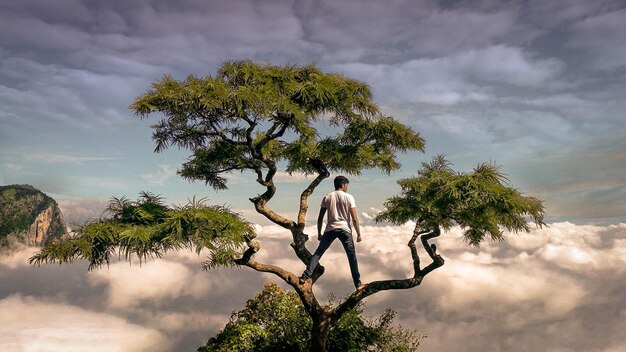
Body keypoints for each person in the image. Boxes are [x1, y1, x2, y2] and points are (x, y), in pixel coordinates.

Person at [300, 176, 366, 291]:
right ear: (343, 184)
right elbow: (355, 218)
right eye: (347, 185)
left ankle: (304, 276)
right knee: (352, 257)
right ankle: (358, 284)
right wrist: (359, 234)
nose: (347, 187)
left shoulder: (327, 197)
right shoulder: (349, 197)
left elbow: (320, 218)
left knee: (318, 253)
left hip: (330, 229)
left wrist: (319, 233)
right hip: (345, 230)